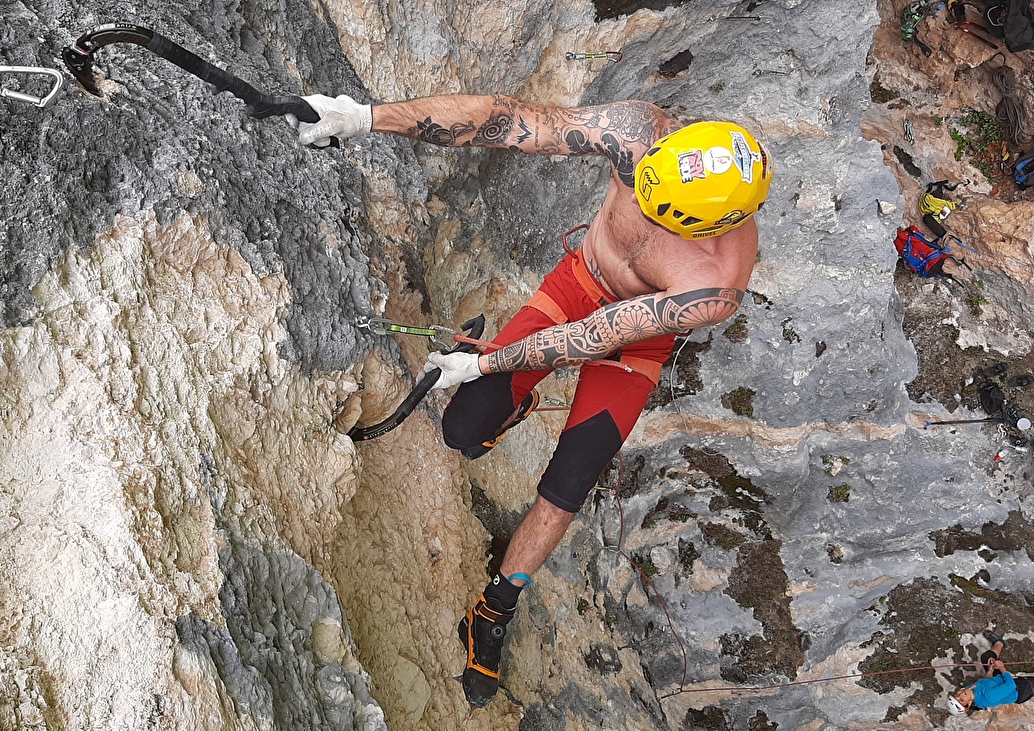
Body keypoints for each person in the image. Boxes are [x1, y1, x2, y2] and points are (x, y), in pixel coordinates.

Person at [291, 93, 772, 706]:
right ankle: (508, 409)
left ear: (706, 227)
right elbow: (508, 120)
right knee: (462, 431)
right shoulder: (638, 133)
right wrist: (363, 118)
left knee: (570, 481)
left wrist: (482, 362)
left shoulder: (713, 287)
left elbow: (589, 340)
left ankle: (495, 607)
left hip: (637, 340)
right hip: (581, 282)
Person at [946, 631, 1034, 717]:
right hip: (1019, 689)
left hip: (999, 681)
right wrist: (1002, 668)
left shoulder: (969, 691)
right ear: (969, 704)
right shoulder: (988, 697)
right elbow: (1011, 685)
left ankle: (999, 643)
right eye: (961, 699)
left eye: (957, 695)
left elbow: (985, 683)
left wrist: (990, 671)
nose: (961, 694)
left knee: (986, 658)